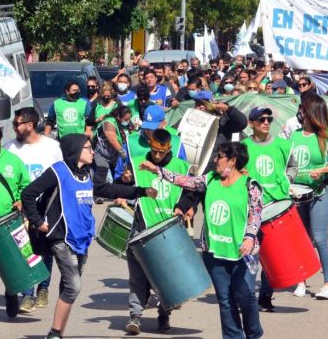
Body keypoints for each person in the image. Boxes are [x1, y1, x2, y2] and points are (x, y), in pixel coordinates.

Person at [22, 134, 157, 339]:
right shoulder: (58, 171)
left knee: (68, 289)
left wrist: (140, 191)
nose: (92, 151)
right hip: (61, 238)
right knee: (74, 287)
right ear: (76, 151)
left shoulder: (88, 174)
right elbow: (28, 194)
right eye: (88, 148)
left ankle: (58, 332)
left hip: (82, 239)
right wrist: (38, 222)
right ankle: (54, 333)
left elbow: (109, 189)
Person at [140, 142, 263, 339]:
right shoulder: (210, 180)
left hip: (243, 253)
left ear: (232, 161)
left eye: (219, 156)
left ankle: (254, 334)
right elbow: (185, 181)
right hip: (214, 251)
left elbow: (256, 214)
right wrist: (157, 170)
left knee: (244, 296)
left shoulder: (250, 185)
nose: (215, 160)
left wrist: (249, 237)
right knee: (225, 299)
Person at [123, 129, 193, 335]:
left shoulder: (181, 167)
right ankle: (135, 316)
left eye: (161, 153)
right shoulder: (137, 162)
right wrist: (124, 183)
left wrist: (184, 206)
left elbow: (192, 192)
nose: (157, 156)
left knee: (166, 278)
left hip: (169, 230)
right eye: (154, 151)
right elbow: (123, 182)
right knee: (137, 278)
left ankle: (164, 315)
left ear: (169, 148)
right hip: (142, 226)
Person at [288, 94, 328, 299]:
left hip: (318, 192)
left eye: (303, 109)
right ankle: (301, 280)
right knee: (300, 239)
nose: (300, 112)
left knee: (320, 238)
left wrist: (322, 170)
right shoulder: (293, 135)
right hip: (296, 193)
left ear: (311, 111)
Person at [7, 107, 63, 313]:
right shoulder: (11, 149)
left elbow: (61, 176)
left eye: (17, 124)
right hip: (21, 211)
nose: (14, 128)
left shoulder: (52, 147)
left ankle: (43, 289)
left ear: (29, 125)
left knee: (44, 251)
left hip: (46, 208)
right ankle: (27, 295)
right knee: (24, 251)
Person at [241, 108, 294, 312]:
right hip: (251, 210)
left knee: (272, 258)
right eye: (261, 119)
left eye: (269, 119)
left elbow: (292, 166)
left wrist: (287, 182)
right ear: (251, 123)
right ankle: (246, 299)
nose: (266, 122)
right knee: (250, 256)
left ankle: (265, 296)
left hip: (276, 209)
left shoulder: (282, 144)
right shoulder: (243, 147)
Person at [0, 124, 32, 317]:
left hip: (10, 221)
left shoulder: (13, 161)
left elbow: (26, 186)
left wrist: (21, 200)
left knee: (15, 262)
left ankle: (13, 293)